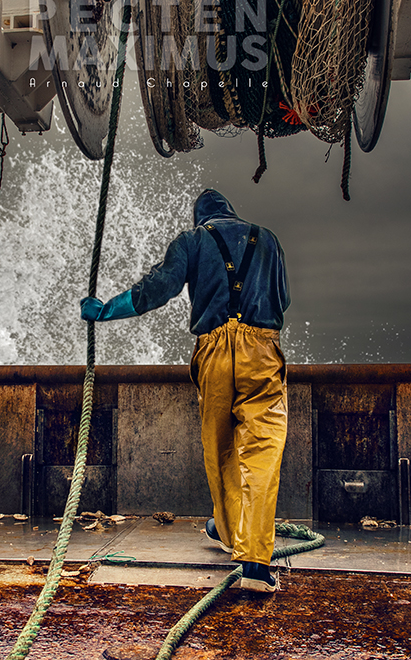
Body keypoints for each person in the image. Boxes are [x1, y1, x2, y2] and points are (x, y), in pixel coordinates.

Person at [80, 189, 289, 592]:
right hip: (262, 349)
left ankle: (228, 533)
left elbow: (159, 288)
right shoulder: (268, 239)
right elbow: (283, 299)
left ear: (201, 219)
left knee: (221, 449)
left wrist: (106, 309)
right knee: (261, 452)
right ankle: (256, 565)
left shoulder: (192, 240)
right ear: (232, 212)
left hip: (212, 350)